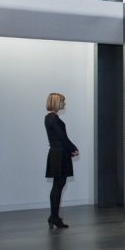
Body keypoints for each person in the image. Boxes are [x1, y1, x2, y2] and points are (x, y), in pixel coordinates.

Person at [45, 93, 79, 229]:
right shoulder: (53, 118)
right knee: (58, 185)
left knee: (58, 185)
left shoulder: (49, 118)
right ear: (56, 102)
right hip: (59, 154)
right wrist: (73, 148)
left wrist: (70, 149)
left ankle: (54, 216)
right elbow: (62, 137)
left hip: (57, 153)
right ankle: (54, 217)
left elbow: (61, 137)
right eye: (63, 101)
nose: (64, 104)